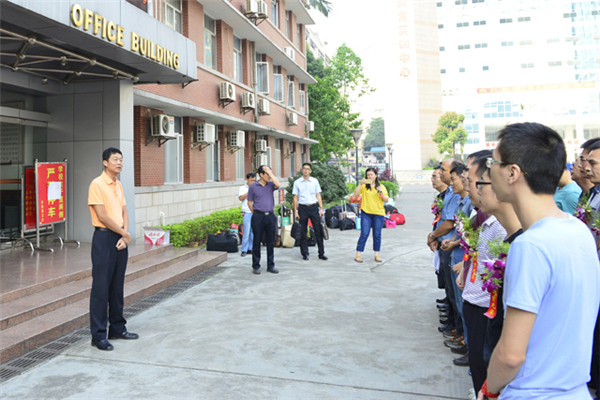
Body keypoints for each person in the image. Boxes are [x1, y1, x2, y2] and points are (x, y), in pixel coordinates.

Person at [478, 123, 600, 400]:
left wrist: (489, 390)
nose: (489, 171)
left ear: (512, 173)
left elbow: (510, 355)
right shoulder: (578, 230)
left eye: (492, 163)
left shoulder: (530, 245)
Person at [88, 147, 138, 351]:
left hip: (120, 238)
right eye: (115, 159)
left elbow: (125, 211)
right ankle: (98, 335)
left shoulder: (118, 184)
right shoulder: (97, 184)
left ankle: (117, 328)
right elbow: (102, 216)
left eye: (121, 160)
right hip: (104, 238)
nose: (119, 163)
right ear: (105, 162)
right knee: (101, 289)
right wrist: (125, 234)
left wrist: (125, 235)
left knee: (117, 287)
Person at [247, 165, 280, 275]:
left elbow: (278, 184)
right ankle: (256, 266)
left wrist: (270, 172)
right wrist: (255, 213)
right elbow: (249, 202)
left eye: (270, 173)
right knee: (257, 241)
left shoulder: (271, 185)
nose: (269, 176)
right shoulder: (253, 186)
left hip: (270, 216)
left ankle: (271, 265)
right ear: (261, 174)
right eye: (267, 173)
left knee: (270, 241)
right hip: (258, 216)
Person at [352, 167, 389, 263]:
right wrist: (360, 184)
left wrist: (380, 192)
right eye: (368, 175)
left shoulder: (381, 186)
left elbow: (386, 199)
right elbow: (355, 194)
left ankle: (377, 254)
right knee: (364, 233)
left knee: (377, 234)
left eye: (371, 175)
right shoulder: (364, 186)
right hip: (366, 213)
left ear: (376, 175)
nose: (369, 176)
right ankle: (358, 254)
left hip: (378, 213)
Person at [292, 163, 327, 261]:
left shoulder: (315, 181)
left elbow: (318, 195)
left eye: (308, 169)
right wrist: (296, 211)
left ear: (310, 171)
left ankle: (321, 253)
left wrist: (321, 208)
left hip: (313, 207)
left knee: (318, 230)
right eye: (304, 168)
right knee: (302, 231)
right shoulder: (297, 182)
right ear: (302, 170)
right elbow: (295, 197)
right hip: (302, 208)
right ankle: (305, 253)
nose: (306, 170)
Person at [238, 172, 256, 256]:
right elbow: (240, 198)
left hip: (254, 212)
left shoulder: (256, 187)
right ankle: (244, 250)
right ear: (247, 179)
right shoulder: (242, 188)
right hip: (246, 212)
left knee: (252, 232)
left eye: (254, 180)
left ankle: (250, 248)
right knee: (246, 232)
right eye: (252, 180)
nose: (253, 182)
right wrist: (249, 192)